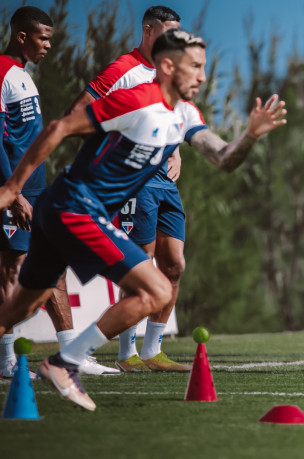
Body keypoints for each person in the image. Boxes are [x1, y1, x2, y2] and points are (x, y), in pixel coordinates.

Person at [0, 28, 287, 410]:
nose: (203, 76)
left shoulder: (185, 114)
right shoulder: (136, 100)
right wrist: (12, 188)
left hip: (63, 209)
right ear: (168, 66)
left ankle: (62, 361)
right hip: (75, 206)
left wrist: (250, 135)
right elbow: (59, 128)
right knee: (157, 291)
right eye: (195, 67)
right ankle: (64, 363)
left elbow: (223, 158)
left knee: (19, 309)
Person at [66, 6, 187, 373]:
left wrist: (178, 149)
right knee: (141, 264)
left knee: (175, 265)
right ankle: (126, 352)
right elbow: (80, 112)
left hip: (166, 181)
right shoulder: (123, 70)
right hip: (136, 180)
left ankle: (153, 351)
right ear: (148, 30)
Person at [0, 6, 118, 378]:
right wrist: (12, 193)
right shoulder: (2, 72)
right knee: (12, 272)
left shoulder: (21, 75)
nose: (49, 45)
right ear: (22, 36)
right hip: (16, 194)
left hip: (36, 191)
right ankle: (5, 361)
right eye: (43, 38)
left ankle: (71, 352)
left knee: (55, 268)